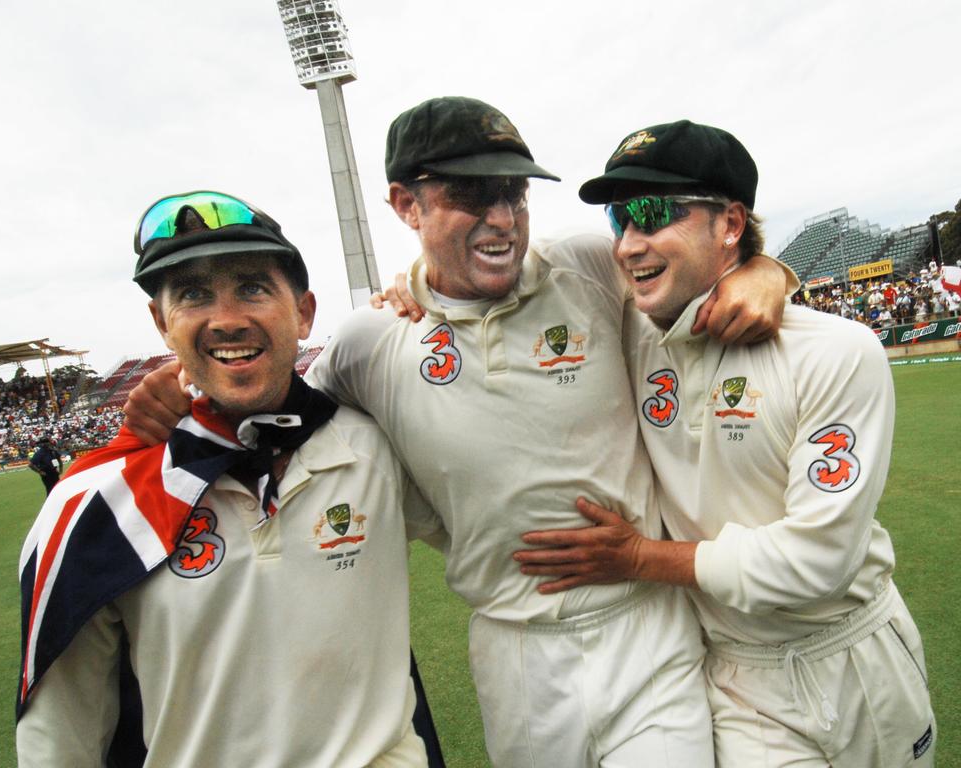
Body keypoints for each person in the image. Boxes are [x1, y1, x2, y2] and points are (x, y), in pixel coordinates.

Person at [124, 98, 792, 767]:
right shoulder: (370, 341)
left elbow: (691, 264)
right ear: (406, 206)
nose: (501, 217)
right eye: (471, 194)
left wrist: (763, 271)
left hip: (648, 628)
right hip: (516, 651)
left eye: (514, 193)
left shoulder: (589, 266)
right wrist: (185, 389)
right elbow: (273, 407)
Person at [516, 120, 936, 766]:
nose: (630, 244)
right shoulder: (626, 330)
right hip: (739, 680)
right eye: (618, 218)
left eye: (653, 213)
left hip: (855, 656)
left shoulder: (836, 352)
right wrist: (416, 281)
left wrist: (640, 558)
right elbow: (509, 267)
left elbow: (819, 561)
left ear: (731, 224)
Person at [16, 191, 434, 767]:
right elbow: (60, 738)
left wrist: (430, 297)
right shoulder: (95, 502)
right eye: (193, 295)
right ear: (162, 323)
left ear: (305, 312)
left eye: (253, 287)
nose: (227, 318)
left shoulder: (379, 445)